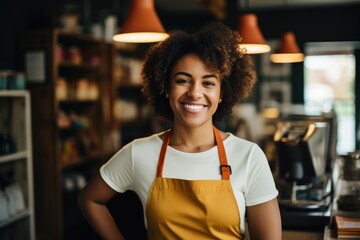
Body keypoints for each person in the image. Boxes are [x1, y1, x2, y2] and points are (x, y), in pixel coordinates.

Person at [78, 22, 282, 240]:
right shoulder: (139, 153)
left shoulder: (249, 157)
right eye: (183, 80)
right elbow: (90, 199)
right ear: (166, 88)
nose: (195, 93)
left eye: (208, 83)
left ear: (222, 93)